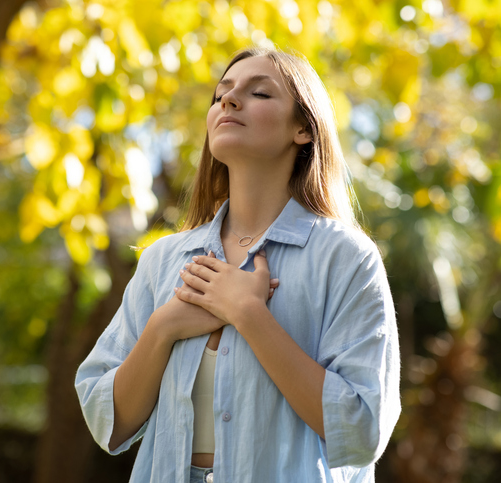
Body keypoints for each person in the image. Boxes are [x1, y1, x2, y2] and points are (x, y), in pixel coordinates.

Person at [75, 45, 401, 483]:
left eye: (260, 93)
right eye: (221, 93)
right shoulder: (161, 261)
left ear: (303, 128)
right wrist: (164, 327)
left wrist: (249, 315)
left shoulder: (345, 258)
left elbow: (363, 429)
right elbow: (107, 421)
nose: (228, 100)